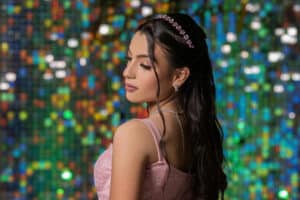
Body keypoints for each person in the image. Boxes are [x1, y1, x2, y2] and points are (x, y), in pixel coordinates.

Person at [94, 13, 227, 200]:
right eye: (129, 60)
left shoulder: (134, 133)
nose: (127, 72)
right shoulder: (196, 132)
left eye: (144, 65)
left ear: (179, 76)